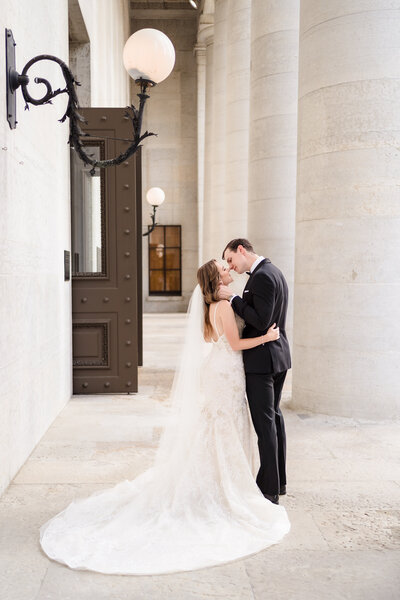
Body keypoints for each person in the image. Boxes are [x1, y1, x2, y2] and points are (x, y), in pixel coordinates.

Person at [39, 259, 290, 575]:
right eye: (222, 267)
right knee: (220, 427)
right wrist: (267, 339)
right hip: (225, 373)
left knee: (216, 428)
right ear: (217, 278)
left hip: (221, 372)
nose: (228, 268)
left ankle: (221, 481)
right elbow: (237, 344)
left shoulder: (218, 303)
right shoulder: (223, 307)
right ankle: (224, 488)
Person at [219, 239, 291, 505]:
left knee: (265, 426)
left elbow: (260, 321)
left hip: (262, 362)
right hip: (278, 356)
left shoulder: (262, 276)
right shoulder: (274, 272)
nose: (231, 267)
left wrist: (234, 299)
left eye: (229, 260)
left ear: (241, 250)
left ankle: (269, 490)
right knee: (274, 419)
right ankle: (279, 481)